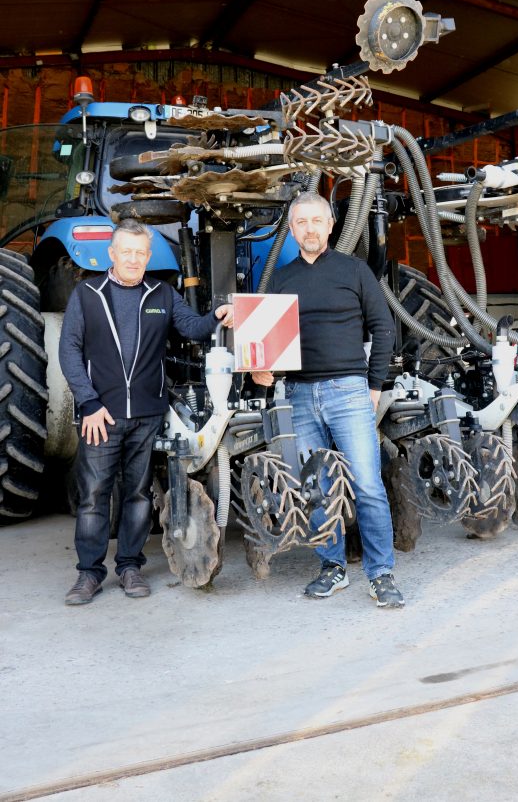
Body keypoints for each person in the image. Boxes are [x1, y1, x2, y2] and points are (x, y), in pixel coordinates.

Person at [59, 218, 235, 606]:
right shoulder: (87, 294)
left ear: (147, 255)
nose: (134, 259)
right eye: (127, 252)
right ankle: (88, 574)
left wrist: (218, 316)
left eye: (141, 253)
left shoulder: (162, 293)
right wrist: (88, 403)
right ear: (112, 254)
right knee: (93, 495)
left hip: (147, 412)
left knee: (137, 494)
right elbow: (69, 352)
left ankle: (129, 566)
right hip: (99, 416)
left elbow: (191, 328)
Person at [252, 192, 404, 609]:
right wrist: (260, 370)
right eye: (301, 223)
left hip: (349, 392)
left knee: (367, 484)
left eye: (317, 220)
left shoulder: (355, 271)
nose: (310, 229)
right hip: (299, 394)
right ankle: (331, 567)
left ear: (331, 223)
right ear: (293, 229)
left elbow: (384, 329)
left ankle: (380, 574)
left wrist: (373, 386)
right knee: (317, 487)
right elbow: (265, 340)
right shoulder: (281, 279)